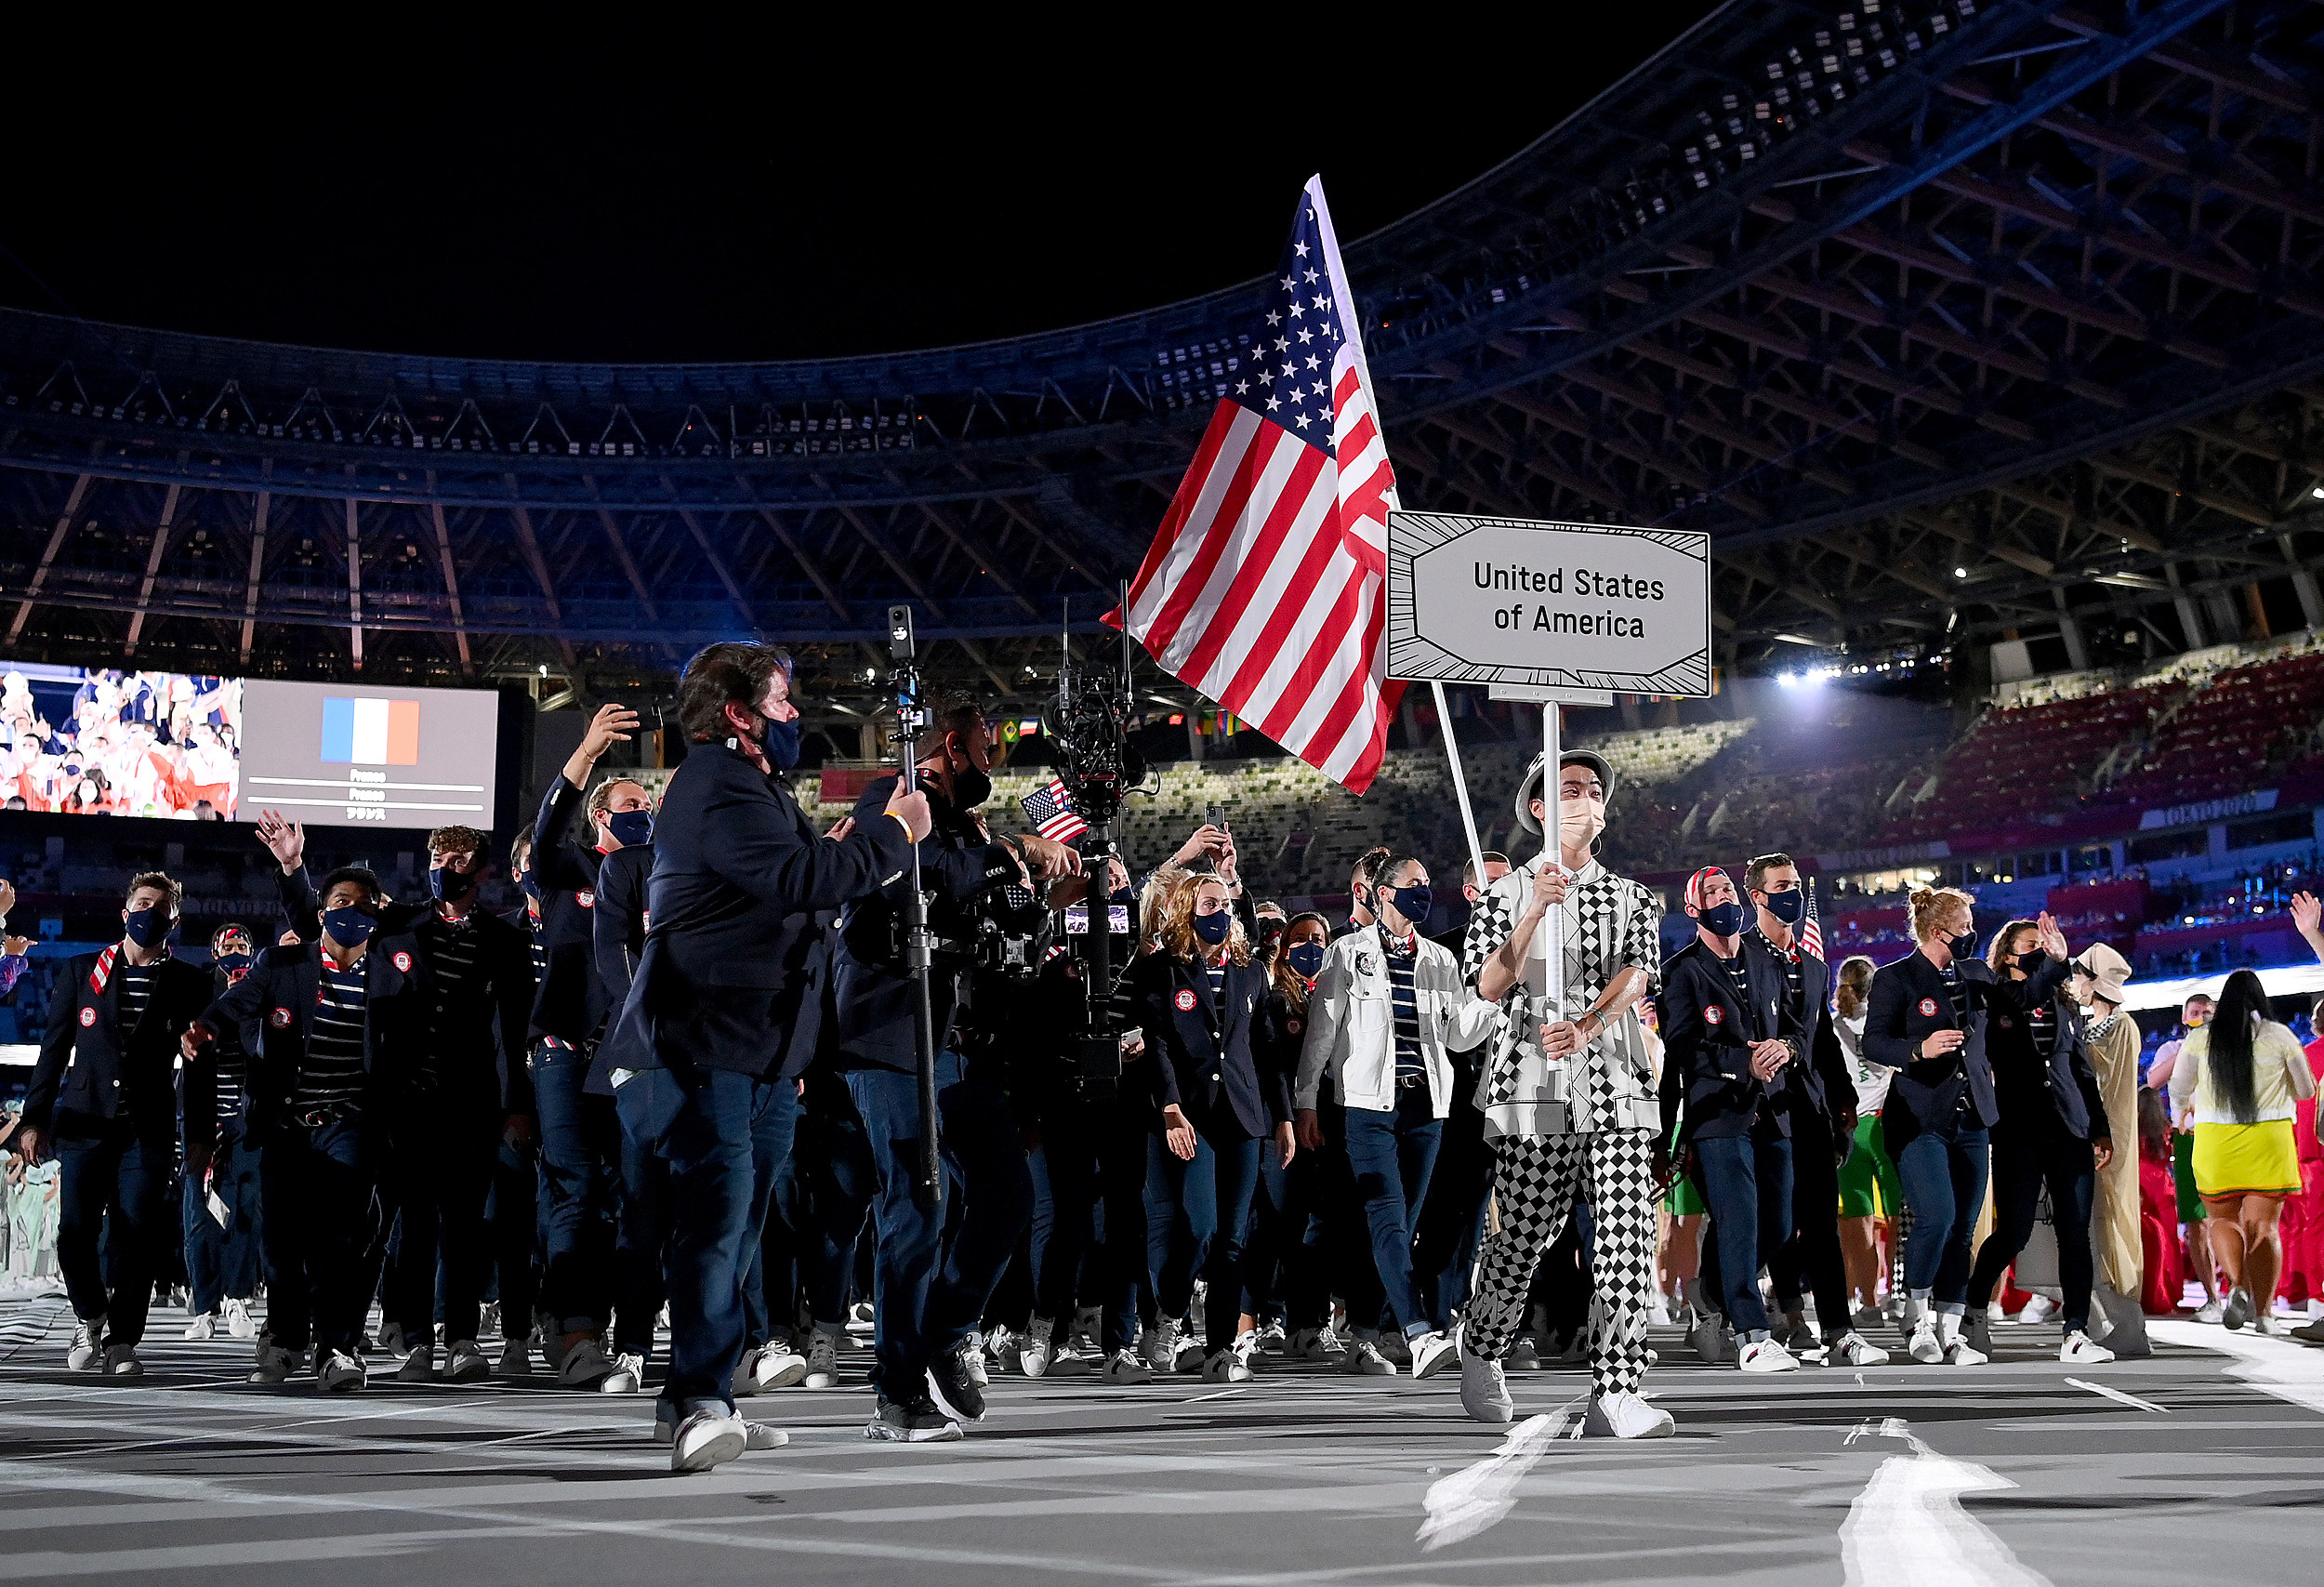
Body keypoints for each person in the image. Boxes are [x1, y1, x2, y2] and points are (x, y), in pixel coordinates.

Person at [598, 641, 925, 1470]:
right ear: (738, 714)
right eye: (781, 703)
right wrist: (889, 838)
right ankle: (699, 1402)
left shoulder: (754, 785)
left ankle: (706, 1388)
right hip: (706, 1044)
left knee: (740, 1227)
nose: (795, 717)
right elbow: (799, 878)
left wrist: (842, 851)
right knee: (717, 1220)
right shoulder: (714, 784)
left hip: (763, 1051)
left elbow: (794, 882)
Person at [832, 698, 1071, 1437]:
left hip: (962, 1047)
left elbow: (999, 933)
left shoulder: (972, 829)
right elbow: (924, 875)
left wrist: (1053, 897)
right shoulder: (891, 796)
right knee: (916, 1203)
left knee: (1006, 1193)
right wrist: (1014, 853)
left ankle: (944, 1326)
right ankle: (896, 1390)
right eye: (985, 748)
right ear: (950, 747)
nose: (994, 765)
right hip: (895, 1036)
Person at [1457, 747, 1670, 1437]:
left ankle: (1618, 1385)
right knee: (1522, 1236)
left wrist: (1589, 1023)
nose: (1586, 796)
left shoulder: (1633, 895)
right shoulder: (1505, 893)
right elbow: (1486, 986)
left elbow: (1639, 974)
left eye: (1593, 788)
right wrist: (1531, 914)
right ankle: (1483, 1345)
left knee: (1626, 1229)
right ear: (1540, 808)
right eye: (1570, 788)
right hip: (1532, 1081)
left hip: (1612, 1073)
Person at [187, 866, 428, 1392]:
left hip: (351, 1121)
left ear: (376, 915)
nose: (352, 910)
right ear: (321, 915)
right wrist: (206, 1026)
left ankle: (338, 1348)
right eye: (340, 901)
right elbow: (235, 1004)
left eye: (365, 903)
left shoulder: (394, 969)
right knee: (280, 1241)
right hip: (286, 1123)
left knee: (342, 1237)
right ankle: (288, 1340)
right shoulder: (283, 963)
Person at [1295, 854, 1494, 1379]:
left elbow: (1457, 1035)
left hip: (1427, 1108)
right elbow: (1322, 1033)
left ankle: (1365, 1330)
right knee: (1384, 1214)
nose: (1425, 892)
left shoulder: (1438, 960)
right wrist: (1306, 1100)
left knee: (1400, 1228)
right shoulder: (1347, 953)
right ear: (1384, 894)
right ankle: (1418, 1331)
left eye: (1429, 884)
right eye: (1413, 884)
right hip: (1367, 1106)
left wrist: (1495, 998)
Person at [20, 873, 217, 1376]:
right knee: (74, 1233)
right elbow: (54, 1051)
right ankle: (90, 1314)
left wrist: (199, 1135)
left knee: (138, 1235)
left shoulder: (191, 983)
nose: (149, 911)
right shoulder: (81, 972)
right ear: (124, 910)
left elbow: (200, 1067)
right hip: (84, 1125)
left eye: (161, 905)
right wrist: (34, 1119)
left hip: (145, 1131)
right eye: (142, 902)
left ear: (173, 920)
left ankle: (123, 1341)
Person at [1863, 890, 2065, 1366]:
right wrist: (1918, 1050)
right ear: (1939, 931)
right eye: (1965, 923)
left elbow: (2021, 1002)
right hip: (1920, 1116)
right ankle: (1917, 1319)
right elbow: (1875, 1041)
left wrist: (2056, 964)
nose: (1972, 931)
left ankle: (1951, 1328)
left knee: (1963, 1229)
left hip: (1974, 1116)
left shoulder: (1976, 975)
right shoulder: (1897, 978)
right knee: (1937, 1215)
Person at [529, 703, 650, 1387]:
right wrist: (587, 757)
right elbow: (545, 835)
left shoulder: (662, 876)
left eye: (649, 802)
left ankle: (621, 1332)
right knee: (575, 1187)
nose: (645, 809)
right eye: (631, 802)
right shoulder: (570, 867)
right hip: (567, 1049)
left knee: (632, 1194)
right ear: (602, 817)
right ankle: (575, 1330)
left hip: (636, 1053)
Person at [1129, 870, 1280, 1382]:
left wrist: (1281, 1116)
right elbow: (1159, 1046)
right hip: (1191, 1116)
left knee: (1233, 1237)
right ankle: (1170, 1312)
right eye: (1209, 904)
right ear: (1188, 911)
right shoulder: (1163, 972)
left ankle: (1219, 1347)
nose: (1220, 914)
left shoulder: (1250, 973)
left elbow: (1265, 1051)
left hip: (1242, 1118)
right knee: (1199, 1229)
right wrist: (1170, 1107)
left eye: (1225, 905)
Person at [1657, 866, 1801, 1373]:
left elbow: (1797, 1029)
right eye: (1711, 894)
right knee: (1738, 1221)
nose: (1724, 899)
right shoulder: (1680, 971)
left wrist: (1785, 1048)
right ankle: (1753, 1334)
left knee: (1779, 1226)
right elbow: (1682, 1048)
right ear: (1693, 910)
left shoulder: (1767, 961)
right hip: (1716, 1116)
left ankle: (1711, 1291)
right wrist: (1743, 1063)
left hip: (1773, 1113)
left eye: (1728, 891)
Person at [1745, 854, 1883, 1368]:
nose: (1793, 895)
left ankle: (1839, 1330)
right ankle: (1780, 1314)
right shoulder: (1743, 959)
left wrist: (1844, 1104)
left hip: (1809, 1107)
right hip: (1761, 1110)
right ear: (1757, 896)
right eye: (1782, 886)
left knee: (1821, 1223)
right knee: (1776, 1225)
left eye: (1797, 886)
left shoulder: (1815, 966)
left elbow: (1822, 1040)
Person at [1961, 917, 2115, 1364]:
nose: (2043, 950)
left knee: (2074, 1232)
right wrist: (2055, 962)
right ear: (2008, 953)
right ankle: (1973, 1312)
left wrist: (2099, 1126)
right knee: (2013, 1231)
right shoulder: (1993, 996)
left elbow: (2080, 1069)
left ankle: (2075, 1331)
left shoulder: (2061, 1002)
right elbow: (2019, 998)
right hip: (2018, 1130)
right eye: (2034, 945)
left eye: (2045, 944)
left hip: (2069, 1129)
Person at [2165, 966, 2317, 1335]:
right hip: (2268, 1140)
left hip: (2216, 1141)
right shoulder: (2279, 1036)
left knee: (2222, 1221)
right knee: (2265, 1228)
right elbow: (2306, 1091)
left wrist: (2180, 1114)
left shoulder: (2200, 1040)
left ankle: (2236, 1286)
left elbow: (2179, 1087)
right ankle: (2264, 1315)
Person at [1409, 852, 1509, 1340]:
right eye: (1496, 884)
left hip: (1515, 1102)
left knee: (1486, 1218)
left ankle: (1482, 1316)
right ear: (1472, 894)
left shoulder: (1536, 955)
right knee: (1447, 1215)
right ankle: (1432, 1310)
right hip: (1455, 1104)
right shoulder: (1441, 954)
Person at [1240, 909, 1333, 1361]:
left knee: (1314, 1228)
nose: (1310, 946)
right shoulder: (1274, 998)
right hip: (1278, 1124)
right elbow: (1268, 1064)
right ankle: (1247, 1322)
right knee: (1272, 1224)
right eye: (1300, 939)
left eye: (1318, 938)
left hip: (1325, 1124)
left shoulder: (1335, 995)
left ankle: (1308, 1322)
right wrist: (1284, 1118)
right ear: (1283, 947)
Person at [183, 923, 262, 1342]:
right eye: (228, 946)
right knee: (199, 1216)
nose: (235, 952)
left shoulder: (260, 988)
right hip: (202, 1119)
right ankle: (204, 1305)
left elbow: (261, 1048)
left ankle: (237, 1298)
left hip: (246, 1119)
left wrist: (243, 999)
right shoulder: (198, 988)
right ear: (214, 952)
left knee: (245, 1212)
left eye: (242, 946)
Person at [1830, 956, 1901, 1327]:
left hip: (1849, 1127)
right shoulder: (1888, 1019)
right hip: (1886, 1125)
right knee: (1897, 1216)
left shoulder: (1832, 1024)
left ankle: (1869, 1302)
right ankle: (1899, 1294)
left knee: (1856, 1219)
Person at [2146, 993, 2222, 1321]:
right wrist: (2193, 1045)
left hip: (2223, 1133)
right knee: (2197, 1220)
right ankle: (2212, 1297)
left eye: (2207, 1013)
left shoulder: (2226, 1049)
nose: (2201, 1016)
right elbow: (2152, 1081)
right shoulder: (2173, 1050)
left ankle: (2242, 1290)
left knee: (2228, 1216)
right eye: (2195, 1012)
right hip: (2188, 1136)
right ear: (2184, 1017)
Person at [1331, 847, 1393, 942]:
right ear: (1359, 891)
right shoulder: (1331, 942)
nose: (1388, 896)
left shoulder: (1410, 941)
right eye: (1380, 889)